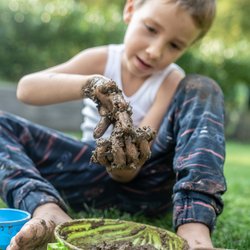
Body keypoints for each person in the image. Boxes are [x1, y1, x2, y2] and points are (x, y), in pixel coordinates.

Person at [0, 0, 227, 249]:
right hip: (81, 174)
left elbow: (130, 170)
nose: (155, 51)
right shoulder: (103, 60)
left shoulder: (171, 80)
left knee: (203, 88)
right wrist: (91, 84)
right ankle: (47, 209)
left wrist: (122, 159)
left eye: (174, 45)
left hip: (148, 185)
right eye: (151, 29)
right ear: (130, 10)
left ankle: (194, 230)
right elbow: (26, 89)